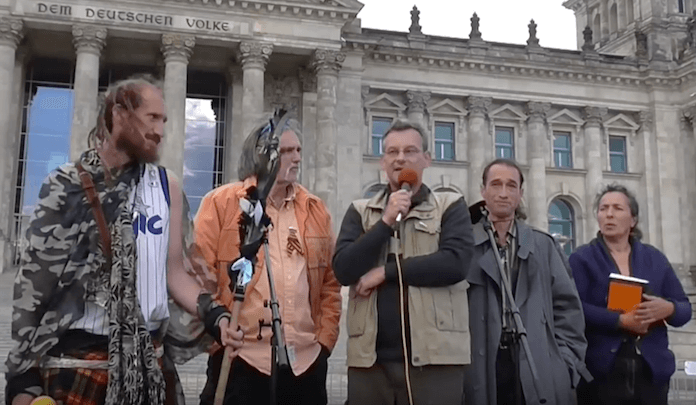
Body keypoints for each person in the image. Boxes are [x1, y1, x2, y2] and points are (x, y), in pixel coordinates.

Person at [5, 75, 242, 405]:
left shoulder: (166, 186)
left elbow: (175, 274)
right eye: (151, 118)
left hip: (150, 367)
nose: (160, 131)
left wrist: (216, 315)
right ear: (118, 115)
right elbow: (34, 287)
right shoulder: (65, 185)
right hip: (79, 364)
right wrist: (23, 378)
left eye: (163, 120)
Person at [194, 113, 341, 405]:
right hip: (241, 360)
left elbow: (330, 283)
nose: (296, 158)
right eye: (286, 151)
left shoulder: (315, 209)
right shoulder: (221, 203)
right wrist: (219, 327)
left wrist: (325, 342)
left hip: (305, 364)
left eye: (298, 150)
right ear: (261, 155)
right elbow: (199, 277)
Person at [333, 119, 475, 405]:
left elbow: (455, 263)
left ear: (426, 159)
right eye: (392, 152)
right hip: (370, 365)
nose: (400, 158)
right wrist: (385, 221)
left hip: (435, 362)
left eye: (410, 151)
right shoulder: (360, 211)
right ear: (383, 162)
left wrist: (385, 273)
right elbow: (344, 269)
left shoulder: (450, 206)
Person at [463, 158, 588, 405]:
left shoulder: (540, 244)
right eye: (495, 185)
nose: (503, 193)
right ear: (483, 191)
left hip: (535, 365)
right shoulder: (464, 245)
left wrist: (565, 366)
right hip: (481, 365)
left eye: (511, 186)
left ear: (520, 193)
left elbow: (568, 310)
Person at [570, 184, 693, 405]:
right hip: (600, 376)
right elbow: (573, 308)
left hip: (651, 376)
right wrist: (619, 321)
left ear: (633, 220)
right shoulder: (581, 259)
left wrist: (669, 308)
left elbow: (685, 309)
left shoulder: (654, 259)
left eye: (617, 208)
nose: (609, 214)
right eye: (603, 208)